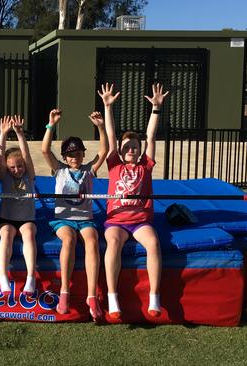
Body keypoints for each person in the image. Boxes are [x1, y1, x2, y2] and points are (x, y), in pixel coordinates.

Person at [100, 82, 168, 320]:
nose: (130, 149)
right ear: (120, 149)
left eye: (134, 147)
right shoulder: (114, 163)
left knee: (153, 244)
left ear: (140, 151)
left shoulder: (145, 166)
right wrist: (108, 108)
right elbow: (110, 135)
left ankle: (154, 296)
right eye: (126, 146)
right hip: (116, 221)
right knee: (114, 245)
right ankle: (112, 297)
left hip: (140, 220)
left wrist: (156, 109)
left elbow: (150, 136)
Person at [41, 108, 108, 322]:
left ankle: (91, 297)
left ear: (83, 154)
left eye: (78, 154)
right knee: (68, 240)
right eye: (70, 154)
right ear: (64, 156)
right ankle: (64, 292)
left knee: (92, 240)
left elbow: (104, 151)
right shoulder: (59, 170)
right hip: (63, 219)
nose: (74, 158)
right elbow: (44, 150)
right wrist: (51, 124)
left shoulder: (88, 171)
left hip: (85, 219)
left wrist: (100, 127)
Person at [0, 115, 37, 297]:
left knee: (28, 234)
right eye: (12, 167)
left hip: (26, 219)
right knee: (6, 234)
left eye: (19, 166)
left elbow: (26, 155)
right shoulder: (5, 176)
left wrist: (20, 134)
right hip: (7, 219)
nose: (17, 170)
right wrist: (3, 134)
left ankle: (30, 278)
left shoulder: (29, 176)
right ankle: (3, 275)